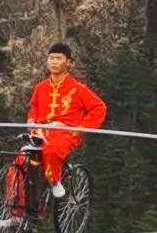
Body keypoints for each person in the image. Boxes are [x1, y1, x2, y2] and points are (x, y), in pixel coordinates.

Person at [25, 41, 107, 194]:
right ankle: (17, 214)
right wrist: (31, 121)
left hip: (66, 133)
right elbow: (34, 108)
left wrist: (82, 128)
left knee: (51, 151)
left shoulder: (78, 88)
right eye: (51, 58)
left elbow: (99, 107)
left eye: (59, 58)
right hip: (40, 132)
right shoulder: (40, 87)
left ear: (68, 62)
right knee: (20, 161)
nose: (54, 62)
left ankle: (54, 181)